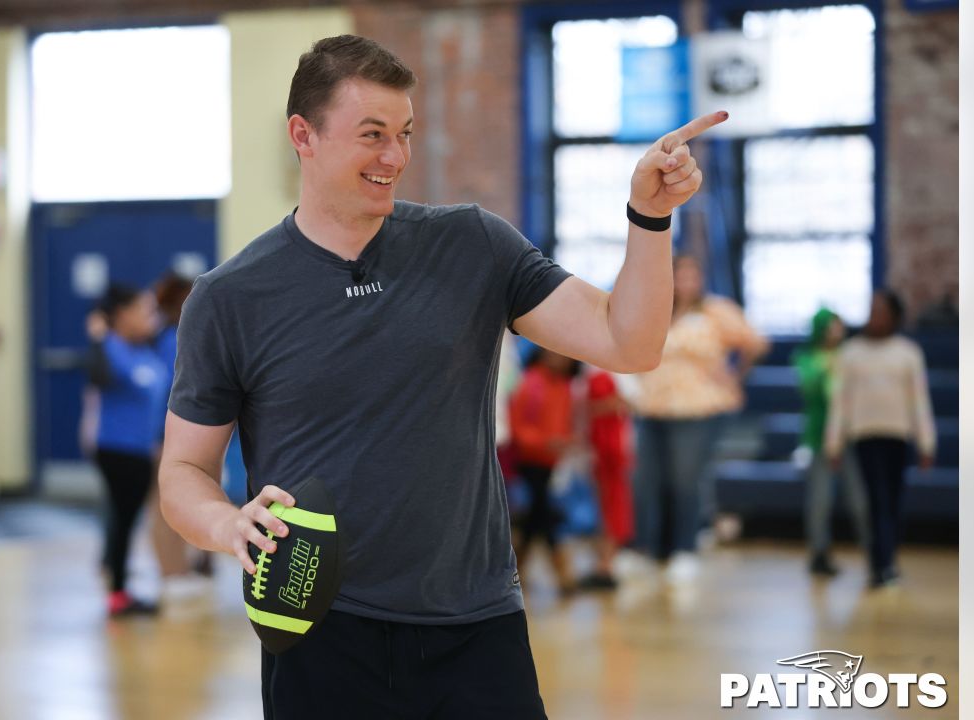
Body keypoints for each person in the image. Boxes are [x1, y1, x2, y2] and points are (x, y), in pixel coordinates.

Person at [157, 34, 726, 718]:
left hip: (476, 627)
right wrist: (229, 528)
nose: (395, 157)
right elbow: (182, 474)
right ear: (303, 135)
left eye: (404, 134)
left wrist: (651, 217)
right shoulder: (229, 299)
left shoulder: (472, 245)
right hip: (319, 635)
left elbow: (628, 342)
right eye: (372, 135)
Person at [629, 256, 767, 583]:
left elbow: (756, 343)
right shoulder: (656, 308)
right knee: (647, 479)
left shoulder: (715, 311)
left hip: (696, 408)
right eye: (680, 273)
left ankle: (685, 548)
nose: (686, 280)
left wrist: (734, 374)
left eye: (693, 274)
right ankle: (647, 548)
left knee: (685, 479)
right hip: (651, 405)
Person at [825, 289, 936, 589]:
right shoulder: (851, 353)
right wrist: (833, 442)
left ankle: (888, 561)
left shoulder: (908, 353)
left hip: (897, 437)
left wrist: (927, 442)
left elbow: (919, 401)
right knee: (875, 501)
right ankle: (879, 564)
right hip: (864, 437)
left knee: (893, 501)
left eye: (882, 310)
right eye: (872, 310)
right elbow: (840, 401)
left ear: (895, 316)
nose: (875, 316)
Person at [92, 283, 169, 618]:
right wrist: (97, 334)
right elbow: (97, 375)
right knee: (123, 521)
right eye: (142, 309)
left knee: (126, 521)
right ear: (121, 314)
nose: (149, 317)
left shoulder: (143, 351)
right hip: (118, 449)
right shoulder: (109, 349)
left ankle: (118, 583)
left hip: (140, 450)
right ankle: (118, 594)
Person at [147, 271, 215, 600]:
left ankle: (179, 569)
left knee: (177, 506)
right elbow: (170, 393)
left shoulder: (171, 336)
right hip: (163, 436)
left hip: (170, 435)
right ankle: (170, 572)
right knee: (162, 508)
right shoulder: (169, 339)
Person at [791, 308, 870, 577]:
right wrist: (828, 369)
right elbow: (808, 387)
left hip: (853, 436)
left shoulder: (853, 355)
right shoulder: (806, 358)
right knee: (820, 500)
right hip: (819, 437)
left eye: (840, 326)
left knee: (860, 500)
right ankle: (819, 554)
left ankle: (874, 553)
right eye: (831, 327)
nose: (837, 332)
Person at [508, 347, 581, 596]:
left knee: (534, 519)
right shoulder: (531, 382)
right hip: (530, 461)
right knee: (544, 516)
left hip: (553, 462)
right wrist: (544, 442)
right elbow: (518, 426)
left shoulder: (565, 386)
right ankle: (563, 575)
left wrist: (565, 441)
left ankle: (514, 573)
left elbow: (568, 422)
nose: (559, 357)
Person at [578, 366, 635, 590]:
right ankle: (604, 562)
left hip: (608, 452)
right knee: (606, 507)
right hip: (601, 451)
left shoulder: (607, 375)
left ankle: (606, 564)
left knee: (612, 506)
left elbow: (623, 404)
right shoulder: (593, 373)